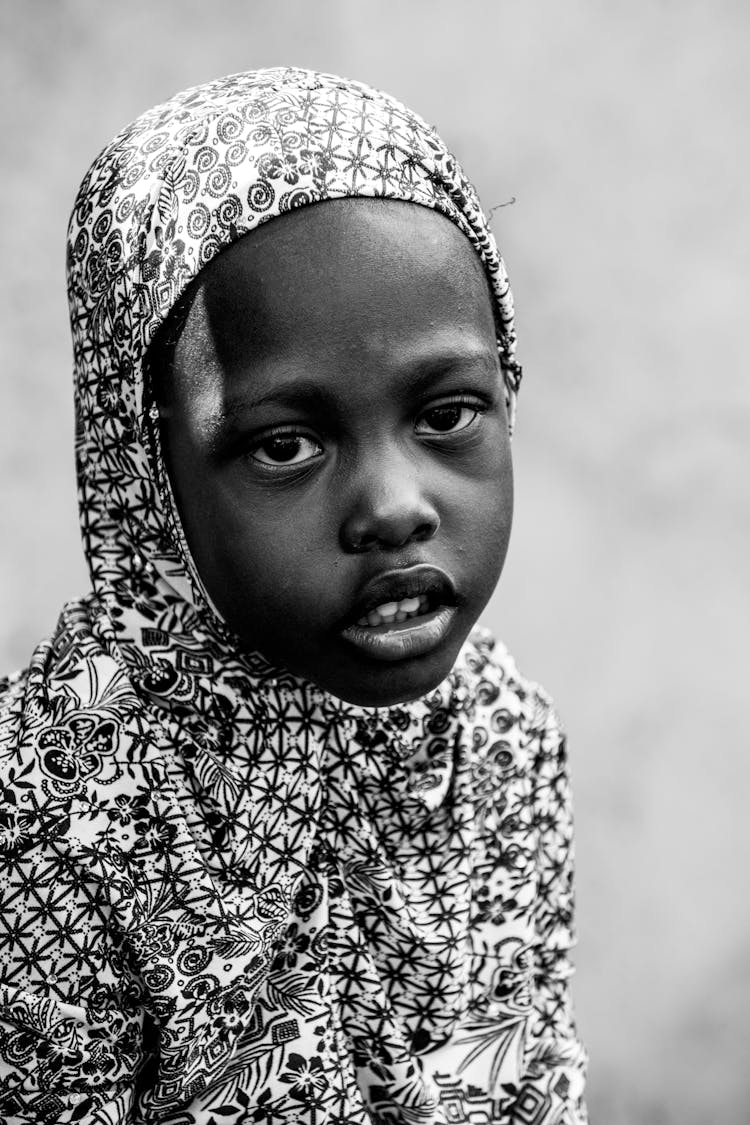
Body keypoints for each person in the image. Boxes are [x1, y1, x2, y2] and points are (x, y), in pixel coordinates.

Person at [0, 68, 587, 1124]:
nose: (396, 507)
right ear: (147, 470)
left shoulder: (501, 741)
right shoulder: (52, 804)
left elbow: (526, 1086)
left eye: (447, 413)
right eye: (287, 444)